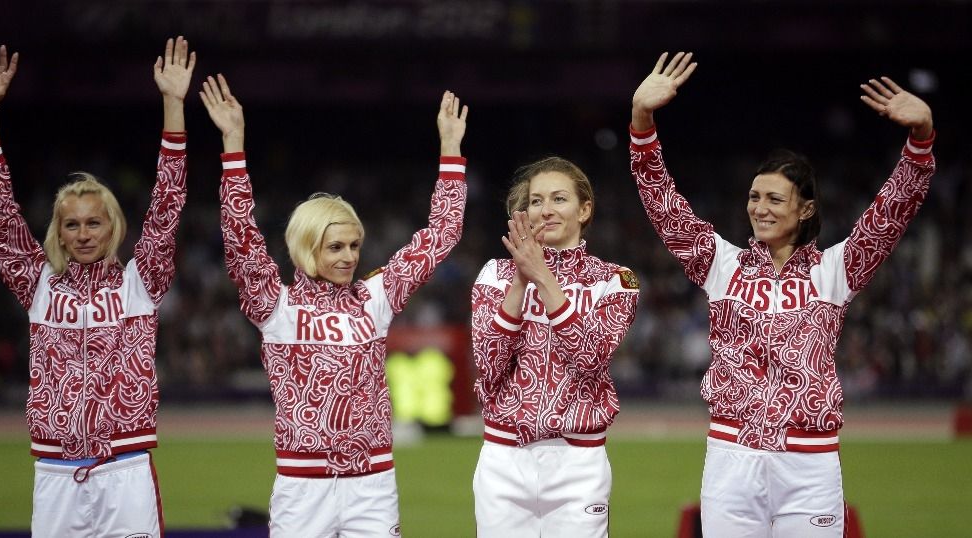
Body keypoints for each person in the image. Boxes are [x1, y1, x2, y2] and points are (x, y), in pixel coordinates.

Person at [629, 52, 936, 536]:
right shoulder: (721, 264)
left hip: (810, 466)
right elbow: (664, 205)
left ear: (805, 209)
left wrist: (920, 140)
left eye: (775, 198)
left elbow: (889, 215)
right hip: (731, 460)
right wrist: (642, 123)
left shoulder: (836, 270)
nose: (760, 208)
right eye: (754, 197)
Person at [199, 73, 468, 537]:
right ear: (307, 247)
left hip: (373, 483)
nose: (348, 257)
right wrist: (233, 145)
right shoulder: (276, 306)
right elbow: (241, 239)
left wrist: (450, 149)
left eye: (354, 245)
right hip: (303, 487)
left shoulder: (375, 298)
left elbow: (440, 235)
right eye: (335, 247)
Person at [0, 37, 194, 536]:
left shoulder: (140, 282)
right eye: (71, 224)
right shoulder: (38, 284)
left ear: (112, 226)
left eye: (94, 222)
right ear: (58, 231)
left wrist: (173, 104)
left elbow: (167, 204)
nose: (84, 234)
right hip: (56, 471)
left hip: (126, 468)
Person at [471, 157, 640, 537]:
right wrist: (520, 280)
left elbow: (589, 358)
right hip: (504, 456)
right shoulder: (495, 274)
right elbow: (488, 363)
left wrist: (542, 276)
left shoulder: (615, 280)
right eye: (536, 201)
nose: (545, 210)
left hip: (578, 461)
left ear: (584, 210)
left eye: (559, 199)